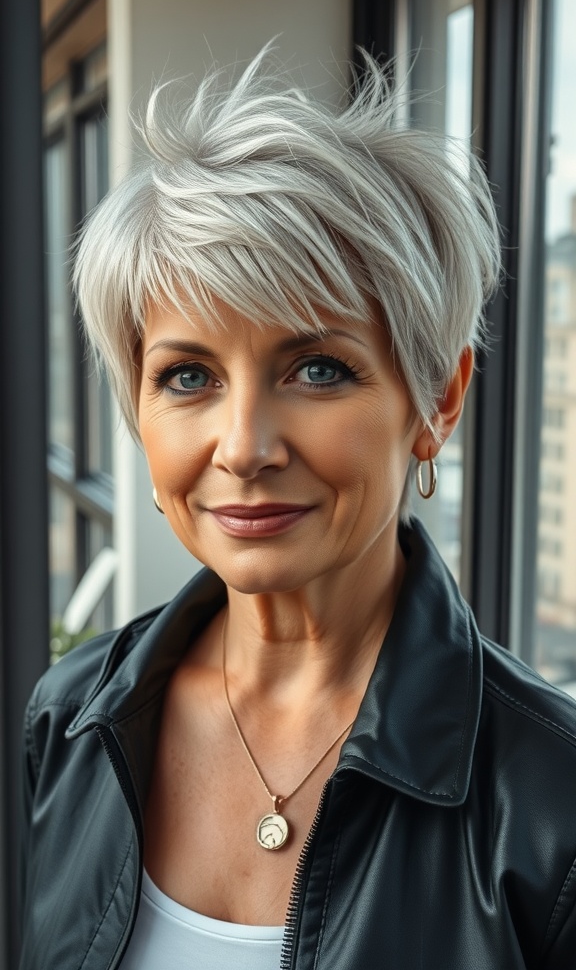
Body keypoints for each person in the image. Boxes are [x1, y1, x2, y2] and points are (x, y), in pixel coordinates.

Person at [19, 50, 576, 970]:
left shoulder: (550, 802)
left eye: (318, 369)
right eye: (187, 376)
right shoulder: (70, 726)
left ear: (437, 401)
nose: (243, 446)